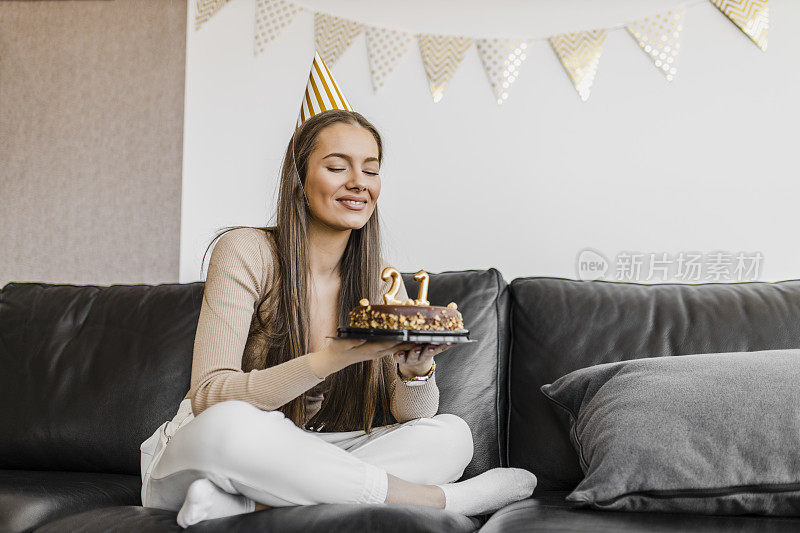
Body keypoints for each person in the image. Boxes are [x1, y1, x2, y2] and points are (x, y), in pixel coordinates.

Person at [139, 109, 537, 528]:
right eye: (336, 167)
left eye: (371, 170)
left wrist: (416, 370)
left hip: (317, 453)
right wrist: (331, 358)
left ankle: (248, 505)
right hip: (212, 451)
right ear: (299, 178)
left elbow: (412, 417)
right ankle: (438, 500)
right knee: (232, 424)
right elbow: (208, 395)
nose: (359, 183)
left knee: (451, 435)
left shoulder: (381, 280)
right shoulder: (246, 251)